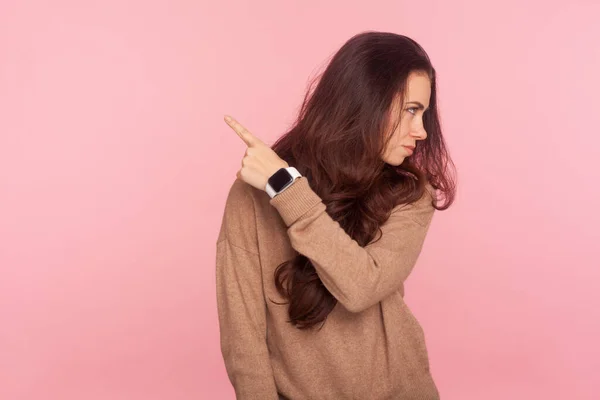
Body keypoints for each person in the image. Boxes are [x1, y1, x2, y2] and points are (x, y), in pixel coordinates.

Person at [215, 30, 456, 400]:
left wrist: (288, 190)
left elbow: (362, 286)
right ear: (365, 102)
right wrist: (280, 188)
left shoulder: (411, 194)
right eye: (411, 110)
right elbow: (243, 338)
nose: (421, 131)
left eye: (423, 114)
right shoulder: (253, 196)